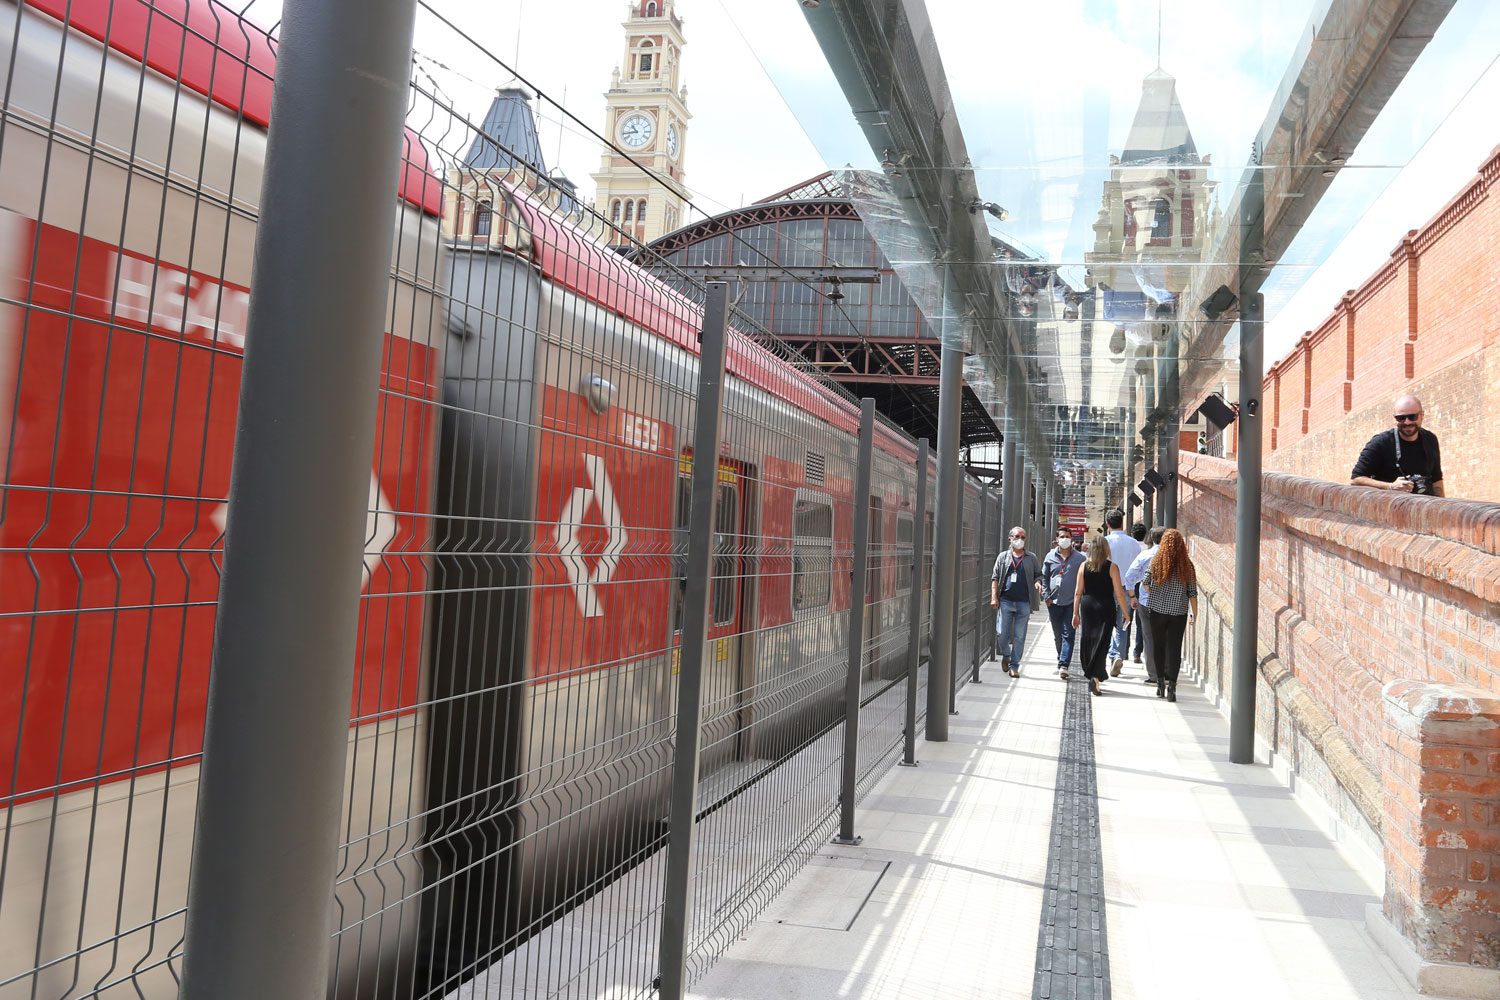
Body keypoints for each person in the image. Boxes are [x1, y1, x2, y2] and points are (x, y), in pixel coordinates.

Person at [1350, 394, 1445, 496]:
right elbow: (1356, 479)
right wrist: (1391, 486)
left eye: (1412, 417)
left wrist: (1442, 506)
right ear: (1395, 418)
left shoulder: (1430, 439)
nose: (1407, 422)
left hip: (1422, 506)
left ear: (1422, 415)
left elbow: (1437, 480)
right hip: (1388, 507)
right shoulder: (1381, 442)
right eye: (1401, 418)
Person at [1071, 536, 1129, 697]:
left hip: (1087, 606)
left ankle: (1092, 673)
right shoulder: (1112, 567)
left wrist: (1075, 613)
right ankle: (1095, 676)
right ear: (1106, 550)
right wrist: (1126, 614)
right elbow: (1119, 594)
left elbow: (1078, 592)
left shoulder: (1083, 566)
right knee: (1103, 641)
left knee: (1089, 639)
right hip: (1106, 607)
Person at [1146, 528, 1198, 703]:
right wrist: (1194, 614)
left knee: (1158, 646)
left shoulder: (1156, 562)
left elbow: (1145, 584)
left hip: (1157, 611)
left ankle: (1160, 682)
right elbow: (1192, 592)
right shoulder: (1187, 565)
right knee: (1175, 649)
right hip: (1179, 612)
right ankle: (1172, 687)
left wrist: (1156, 591)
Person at [990, 526, 1043, 679]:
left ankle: (1014, 665)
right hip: (1005, 601)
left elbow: (1038, 575)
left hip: (1023, 603)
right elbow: (995, 578)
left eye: (1023, 537)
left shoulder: (1031, 558)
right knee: (1002, 634)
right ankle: (1006, 655)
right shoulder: (1003, 557)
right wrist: (994, 597)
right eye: (1017, 536)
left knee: (1019, 636)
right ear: (1010, 538)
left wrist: (1038, 583)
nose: (1020, 540)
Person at [1101, 509, 1142, 676]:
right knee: (1122, 624)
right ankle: (1117, 654)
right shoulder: (1134, 543)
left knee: (1105, 624)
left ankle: (1111, 655)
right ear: (1122, 523)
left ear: (1108, 524)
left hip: (1107, 588)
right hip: (1127, 588)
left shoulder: (1104, 542)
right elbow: (1139, 569)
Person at [1123, 527, 1166, 684]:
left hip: (1146, 601)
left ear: (1152, 539)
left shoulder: (1145, 555)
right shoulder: (1174, 557)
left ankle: (1154, 675)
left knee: (1149, 638)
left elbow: (1129, 576)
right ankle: (1166, 672)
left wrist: (1132, 596)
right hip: (1168, 603)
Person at [1041, 527, 1086, 679]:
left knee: (1069, 634)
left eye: (1067, 536)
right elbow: (1044, 578)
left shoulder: (1080, 559)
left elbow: (1083, 580)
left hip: (1071, 603)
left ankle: (1063, 664)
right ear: (1057, 539)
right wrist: (1046, 596)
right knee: (1058, 635)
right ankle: (1061, 657)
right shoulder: (1049, 557)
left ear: (1071, 539)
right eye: (1062, 536)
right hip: (1053, 602)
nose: (1064, 539)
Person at [1128, 521, 1148, 663]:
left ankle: (1123, 651)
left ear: (1132, 534)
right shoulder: (1148, 549)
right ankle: (1137, 653)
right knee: (1141, 622)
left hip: (1129, 585)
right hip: (1143, 586)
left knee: (1125, 618)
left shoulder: (1130, 548)